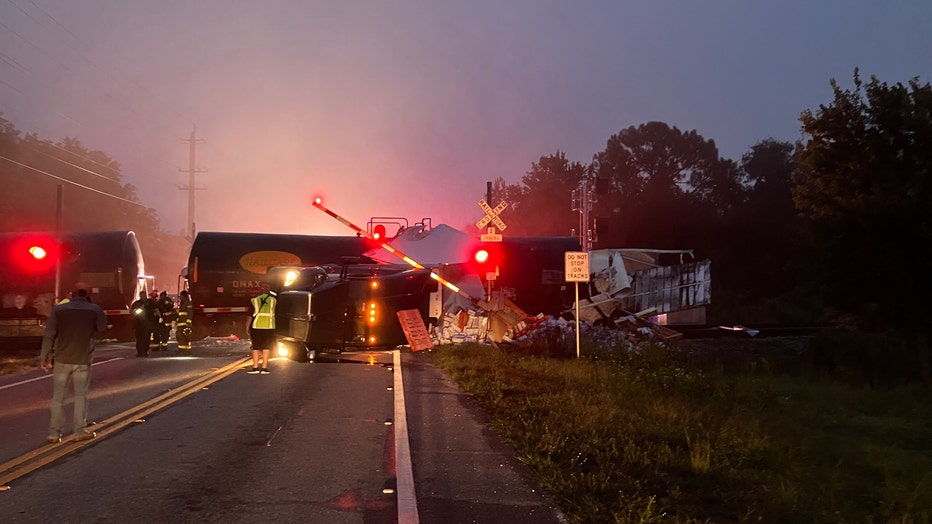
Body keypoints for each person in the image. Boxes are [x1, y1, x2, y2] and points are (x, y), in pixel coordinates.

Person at [38, 288, 107, 443]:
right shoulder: (94, 309)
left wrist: (45, 358)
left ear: (71, 297)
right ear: (87, 297)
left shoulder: (59, 310)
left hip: (62, 358)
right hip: (82, 359)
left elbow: (49, 334)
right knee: (80, 396)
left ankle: (54, 434)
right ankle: (79, 431)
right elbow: (102, 327)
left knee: (57, 398)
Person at [246, 283, 277, 374]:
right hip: (269, 326)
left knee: (255, 347)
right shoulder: (274, 301)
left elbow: (249, 316)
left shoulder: (254, 300)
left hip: (256, 326)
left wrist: (247, 327)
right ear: (268, 290)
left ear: (259, 290)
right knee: (266, 347)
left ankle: (255, 368)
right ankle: (264, 368)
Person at [130, 290, 156, 357]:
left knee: (146, 338)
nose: (143, 296)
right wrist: (134, 314)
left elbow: (156, 309)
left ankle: (145, 351)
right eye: (142, 295)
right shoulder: (137, 303)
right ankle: (139, 352)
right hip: (139, 323)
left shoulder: (150, 302)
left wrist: (160, 317)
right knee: (139, 338)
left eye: (144, 295)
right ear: (140, 296)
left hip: (148, 323)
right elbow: (132, 310)